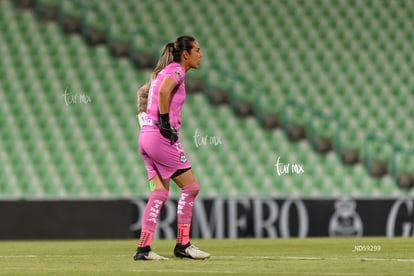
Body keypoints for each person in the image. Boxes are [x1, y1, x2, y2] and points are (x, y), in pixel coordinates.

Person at [133, 35, 210, 261]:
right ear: (185, 54)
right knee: (191, 188)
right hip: (160, 137)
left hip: (146, 137)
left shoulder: (161, 73)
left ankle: (143, 249)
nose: (200, 54)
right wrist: (165, 122)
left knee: (158, 193)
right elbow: (165, 92)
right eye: (197, 49)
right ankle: (183, 244)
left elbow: (143, 93)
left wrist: (144, 120)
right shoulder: (176, 70)